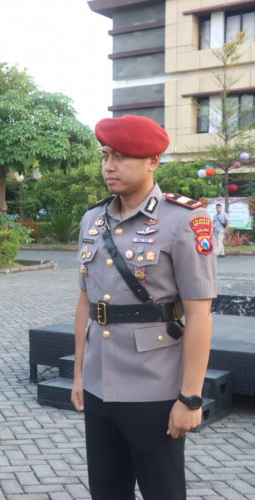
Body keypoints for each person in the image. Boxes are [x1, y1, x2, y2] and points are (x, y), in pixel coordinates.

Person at [70, 115, 217, 500]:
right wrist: (79, 375)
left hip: (155, 388)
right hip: (100, 384)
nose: (109, 166)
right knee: (106, 491)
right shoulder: (92, 219)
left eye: (122, 157)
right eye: (105, 155)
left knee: (162, 491)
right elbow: (86, 301)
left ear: (153, 161)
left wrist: (190, 398)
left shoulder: (185, 220)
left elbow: (200, 315)